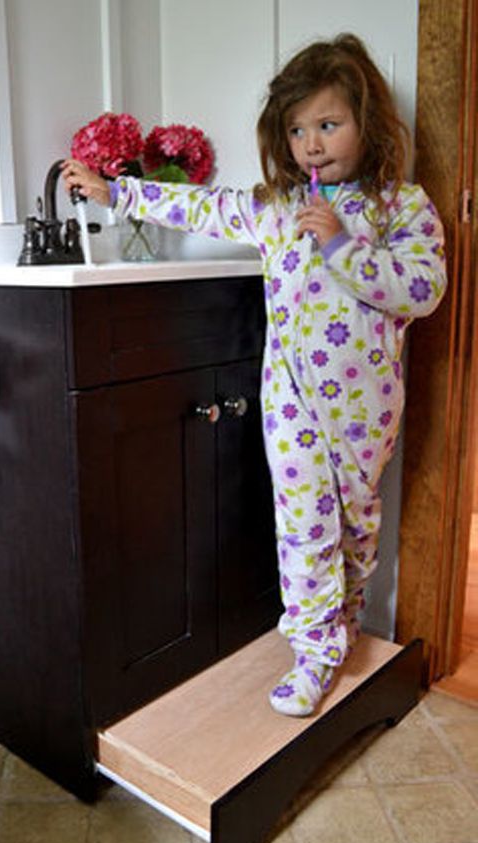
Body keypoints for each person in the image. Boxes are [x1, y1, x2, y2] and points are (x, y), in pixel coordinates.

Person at [62, 33, 447, 717]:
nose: (313, 144)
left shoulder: (400, 207)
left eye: (328, 124)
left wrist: (340, 244)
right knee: (303, 525)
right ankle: (316, 650)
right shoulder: (278, 206)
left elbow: (422, 290)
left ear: (368, 122)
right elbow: (203, 207)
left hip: (365, 411)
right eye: (298, 129)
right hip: (291, 403)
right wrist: (117, 194)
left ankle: (344, 620)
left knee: (356, 529)